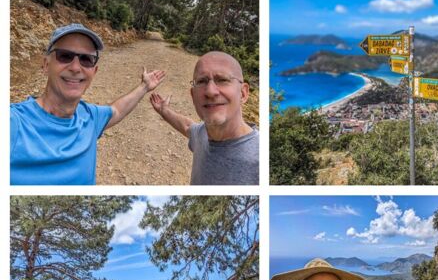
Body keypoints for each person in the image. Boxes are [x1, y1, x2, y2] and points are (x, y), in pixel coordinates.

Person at [10, 23, 166, 184]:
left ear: (94, 71)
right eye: (65, 56)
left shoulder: (90, 117)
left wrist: (144, 86)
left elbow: (117, 110)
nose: (76, 67)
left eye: (86, 59)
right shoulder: (15, 122)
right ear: (46, 65)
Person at [149, 51, 258, 185]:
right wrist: (164, 110)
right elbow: (188, 127)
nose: (210, 91)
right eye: (201, 81)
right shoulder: (202, 133)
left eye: (223, 80)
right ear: (193, 95)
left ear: (243, 93)